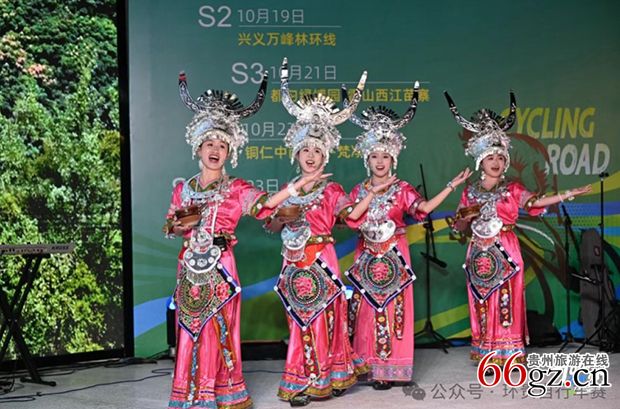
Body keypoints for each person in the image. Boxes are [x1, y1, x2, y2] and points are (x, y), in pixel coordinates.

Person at [164, 71, 329, 409]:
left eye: (222, 145)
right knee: (190, 328)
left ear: (230, 152)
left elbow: (265, 205)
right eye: (210, 144)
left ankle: (222, 394)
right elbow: (171, 226)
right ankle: (190, 395)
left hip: (222, 265)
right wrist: (179, 226)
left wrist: (295, 187)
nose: (215, 150)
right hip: (190, 267)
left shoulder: (237, 188)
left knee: (219, 328)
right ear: (198, 147)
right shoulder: (183, 189)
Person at [270, 58, 396, 406]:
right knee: (298, 320)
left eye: (317, 151)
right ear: (297, 155)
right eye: (306, 150)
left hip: (322, 258)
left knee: (326, 319)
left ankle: (327, 377)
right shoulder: (289, 190)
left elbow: (351, 215)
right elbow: (271, 223)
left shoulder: (332, 190)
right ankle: (299, 380)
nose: (311, 156)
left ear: (325, 156)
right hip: (293, 260)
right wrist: (283, 216)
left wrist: (371, 193)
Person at [444, 91, 591, 366]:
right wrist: (462, 219)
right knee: (482, 300)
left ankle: (509, 353)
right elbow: (459, 228)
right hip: (479, 252)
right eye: (491, 158)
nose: (496, 162)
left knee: (507, 300)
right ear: (480, 161)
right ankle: (486, 354)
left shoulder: (513, 188)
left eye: (500, 158)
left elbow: (535, 202)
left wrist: (566, 194)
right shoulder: (470, 191)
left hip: (506, 249)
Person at [342, 83, 471, 389]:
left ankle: (390, 370)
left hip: (395, 256)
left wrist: (450, 187)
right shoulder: (359, 191)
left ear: (393, 160)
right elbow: (350, 219)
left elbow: (422, 209)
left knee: (393, 310)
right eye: (375, 156)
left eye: (385, 156)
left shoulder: (402, 189)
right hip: (366, 256)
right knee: (365, 311)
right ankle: (366, 366)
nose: (380, 161)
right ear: (367, 159)